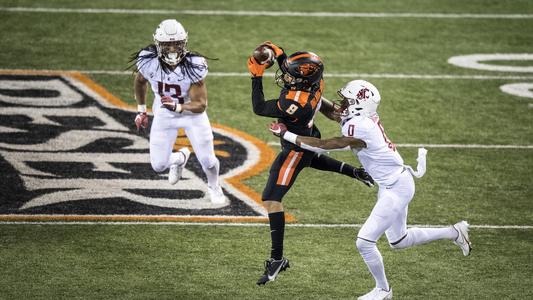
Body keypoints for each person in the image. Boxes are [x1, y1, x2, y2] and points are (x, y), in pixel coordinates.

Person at [269, 79, 472, 300]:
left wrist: (286, 134)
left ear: (358, 104)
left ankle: (383, 290)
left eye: (347, 100)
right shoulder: (361, 119)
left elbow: (325, 145)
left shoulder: (359, 127)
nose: (342, 104)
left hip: (396, 187)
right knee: (399, 240)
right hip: (395, 183)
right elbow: (334, 113)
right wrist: (315, 99)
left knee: (364, 242)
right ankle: (455, 232)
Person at [247, 42, 375, 285]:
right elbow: (290, 65)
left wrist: (256, 74)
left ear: (304, 80)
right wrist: (274, 50)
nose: (286, 77)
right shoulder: (315, 83)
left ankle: (277, 259)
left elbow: (259, 107)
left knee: (271, 199)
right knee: (310, 159)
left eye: (291, 77)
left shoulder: (295, 102)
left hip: (297, 145)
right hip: (310, 133)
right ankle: (354, 172)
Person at [131, 19, 227, 205]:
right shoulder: (148, 61)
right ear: (159, 44)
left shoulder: (194, 65)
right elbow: (140, 81)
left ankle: (214, 186)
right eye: (168, 44)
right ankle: (181, 157)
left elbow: (200, 104)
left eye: (177, 43)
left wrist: (178, 107)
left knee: (207, 160)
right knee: (158, 166)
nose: (173, 48)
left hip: (192, 115)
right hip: (165, 115)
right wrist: (141, 111)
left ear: (184, 42)